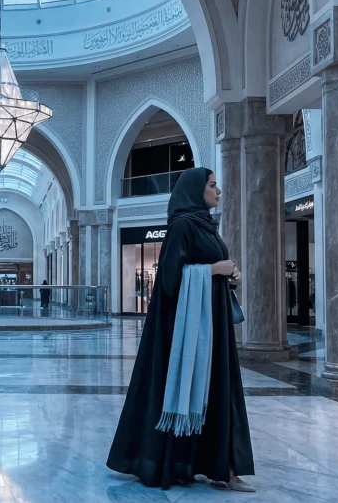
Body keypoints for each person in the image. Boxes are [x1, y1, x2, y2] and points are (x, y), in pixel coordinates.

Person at [107, 167, 255, 492]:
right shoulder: (182, 226)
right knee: (196, 389)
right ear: (194, 191)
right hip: (188, 332)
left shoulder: (206, 226)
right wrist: (214, 269)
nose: (218, 191)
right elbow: (171, 280)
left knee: (219, 391)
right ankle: (180, 463)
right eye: (213, 186)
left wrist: (227, 277)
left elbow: (202, 271)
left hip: (212, 327)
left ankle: (222, 467)